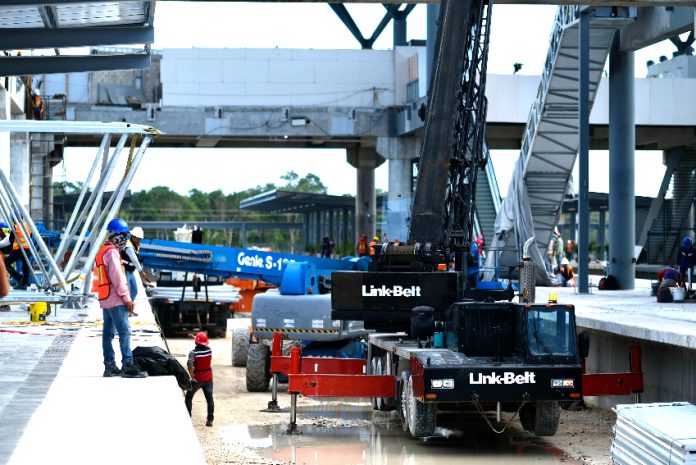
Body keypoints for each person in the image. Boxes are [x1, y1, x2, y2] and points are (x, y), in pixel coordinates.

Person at [95, 218, 148, 378]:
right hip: (116, 299)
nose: (125, 240)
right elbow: (117, 278)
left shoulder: (102, 250)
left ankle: (109, 366)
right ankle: (127, 365)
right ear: (119, 235)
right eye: (124, 236)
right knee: (125, 332)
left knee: (108, 334)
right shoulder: (112, 252)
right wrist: (127, 299)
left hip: (105, 299)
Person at [185, 331, 214, 427]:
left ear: (196, 343)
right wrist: (194, 336)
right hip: (208, 378)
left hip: (198, 378)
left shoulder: (193, 353)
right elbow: (201, 343)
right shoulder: (209, 350)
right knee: (209, 399)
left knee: (188, 397)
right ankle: (210, 420)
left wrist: (192, 374)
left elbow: (190, 364)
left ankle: (188, 419)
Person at [121, 226, 148, 302]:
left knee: (134, 290)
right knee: (127, 290)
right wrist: (141, 271)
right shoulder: (129, 246)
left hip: (131, 271)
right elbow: (134, 259)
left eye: (140, 239)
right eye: (138, 238)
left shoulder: (135, 245)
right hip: (125, 270)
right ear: (133, 236)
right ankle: (126, 308)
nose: (139, 240)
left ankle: (130, 307)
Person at [3, 219, 32, 289]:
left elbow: (10, 240)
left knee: (5, 263)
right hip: (27, 249)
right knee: (25, 267)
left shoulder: (15, 227)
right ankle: (24, 285)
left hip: (18, 250)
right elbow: (30, 236)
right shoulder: (27, 226)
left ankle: (18, 277)